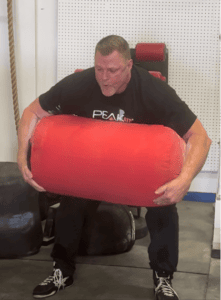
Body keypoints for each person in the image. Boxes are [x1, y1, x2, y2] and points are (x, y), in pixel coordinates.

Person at [17, 35, 211, 300]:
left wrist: (185, 179)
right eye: (99, 69)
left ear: (129, 66)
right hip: (93, 166)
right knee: (71, 202)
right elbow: (32, 112)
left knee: (163, 204)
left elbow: (200, 137)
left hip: (137, 171)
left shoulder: (153, 91)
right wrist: (21, 156)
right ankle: (61, 269)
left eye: (112, 70)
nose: (104, 78)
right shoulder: (81, 84)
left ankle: (163, 277)